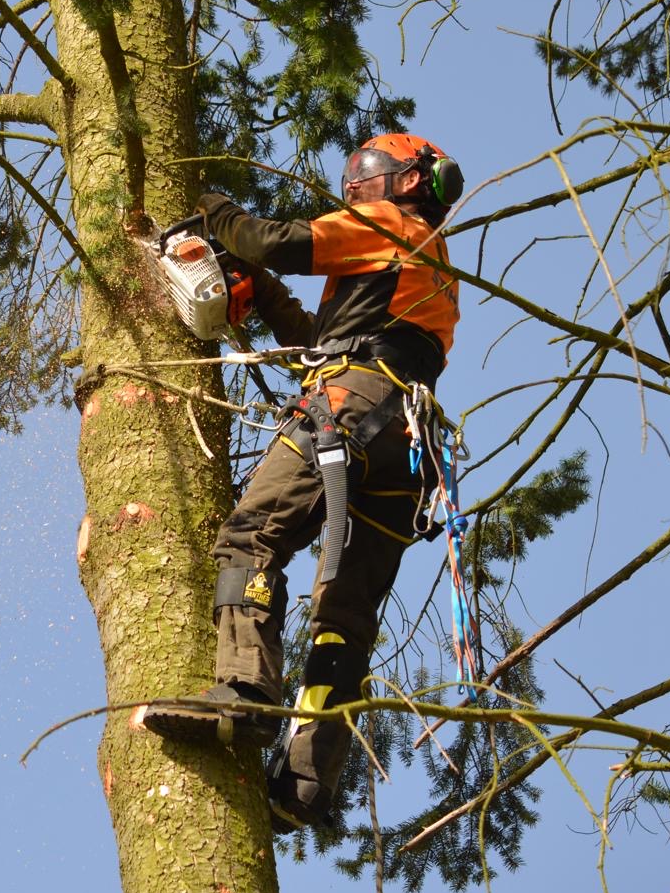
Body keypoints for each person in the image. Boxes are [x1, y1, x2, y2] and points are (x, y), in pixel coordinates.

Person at [141, 133, 464, 833]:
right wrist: (263, 297)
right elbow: (330, 338)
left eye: (368, 178)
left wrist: (214, 209)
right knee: (345, 619)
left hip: (350, 407)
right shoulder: (427, 265)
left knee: (252, 535)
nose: (356, 190)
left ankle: (244, 692)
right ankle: (306, 784)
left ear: (408, 183)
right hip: (407, 448)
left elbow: (268, 239)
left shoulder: (388, 225)